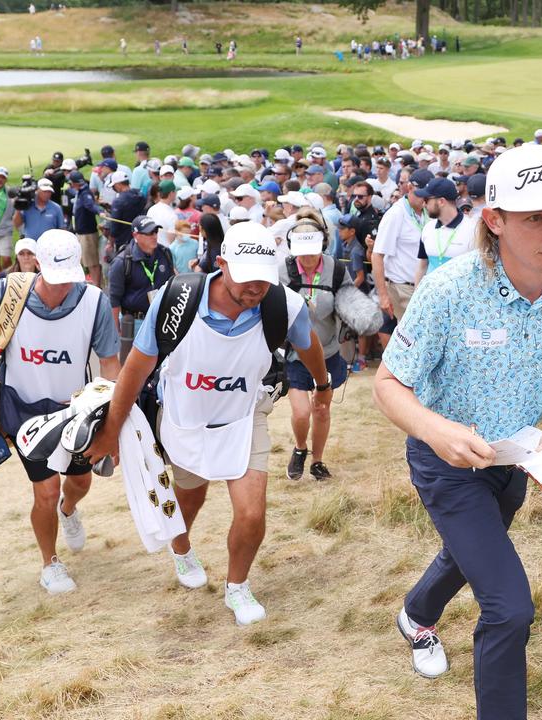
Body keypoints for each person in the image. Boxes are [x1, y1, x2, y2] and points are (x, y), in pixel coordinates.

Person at [373, 143, 542, 720]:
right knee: (509, 607)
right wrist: (436, 431)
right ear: (495, 219)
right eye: (536, 217)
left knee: (470, 553)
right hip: (447, 461)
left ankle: (415, 614)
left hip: (517, 454)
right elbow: (387, 383)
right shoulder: (449, 290)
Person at [87, 222, 330, 626]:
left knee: (252, 513)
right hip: (186, 417)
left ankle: (237, 585)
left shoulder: (283, 306)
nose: (256, 289)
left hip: (243, 415)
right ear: (222, 264)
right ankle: (181, 548)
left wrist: (322, 385)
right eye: (247, 278)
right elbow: (136, 367)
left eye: (263, 281)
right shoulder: (177, 300)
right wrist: (112, 429)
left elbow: (309, 344)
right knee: (191, 497)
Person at [0, 229, 122, 594]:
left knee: (80, 482)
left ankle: (69, 510)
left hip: (75, 413)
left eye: (68, 280)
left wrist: (114, 423)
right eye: (55, 279)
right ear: (37, 265)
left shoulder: (94, 301)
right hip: (24, 411)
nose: (62, 287)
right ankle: (50, 563)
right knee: (44, 490)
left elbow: (111, 363)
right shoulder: (6, 293)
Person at [280, 221, 350, 481]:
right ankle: (300, 448)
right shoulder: (283, 271)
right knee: (301, 412)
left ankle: (317, 461)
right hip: (294, 355)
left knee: (321, 409)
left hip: (328, 352)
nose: (308, 257)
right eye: (302, 251)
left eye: (313, 250)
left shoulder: (337, 269)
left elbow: (348, 298)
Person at [108, 216, 175, 363]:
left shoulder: (165, 254)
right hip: (135, 322)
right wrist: (116, 329)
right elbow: (114, 299)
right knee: (132, 367)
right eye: (149, 233)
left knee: (160, 364)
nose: (154, 236)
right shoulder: (122, 262)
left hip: (160, 320)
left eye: (155, 232)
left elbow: (172, 283)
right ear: (136, 235)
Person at [372, 169, 432, 321]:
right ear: (410, 188)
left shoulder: (426, 212)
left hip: (422, 286)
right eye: (422, 194)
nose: (425, 198)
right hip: (402, 289)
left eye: (429, 194)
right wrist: (383, 296)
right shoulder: (395, 214)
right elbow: (377, 255)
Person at [414, 177, 476, 281]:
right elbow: (422, 267)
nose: (424, 204)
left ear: (441, 201)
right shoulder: (428, 228)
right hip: (431, 296)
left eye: (426, 200)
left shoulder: (473, 229)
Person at [67, 170, 102, 287]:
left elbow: (90, 205)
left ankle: (97, 287)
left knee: (92, 263)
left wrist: (100, 211)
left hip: (87, 234)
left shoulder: (85, 193)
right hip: (82, 233)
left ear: (75, 183)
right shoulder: (80, 191)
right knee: (87, 261)